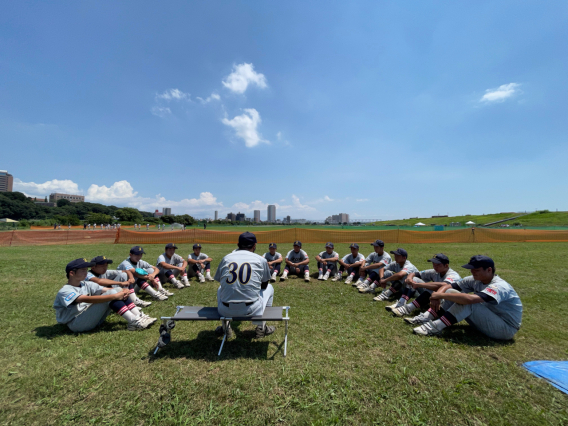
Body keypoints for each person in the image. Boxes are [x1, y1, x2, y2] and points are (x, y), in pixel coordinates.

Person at [413, 255, 523, 340]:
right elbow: (448, 286)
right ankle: (429, 317)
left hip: (506, 328)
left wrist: (439, 295)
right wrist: (436, 296)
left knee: (469, 301)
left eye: (476, 270)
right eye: (471, 269)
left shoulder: (500, 285)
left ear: (489, 270)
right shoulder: (474, 279)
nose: (472, 272)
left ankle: (434, 327)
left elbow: (470, 299)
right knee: (452, 292)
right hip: (489, 318)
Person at [53, 258, 151, 332]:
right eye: (82, 270)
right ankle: (133, 321)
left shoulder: (85, 284)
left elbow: (108, 290)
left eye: (86, 270)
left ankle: (138, 316)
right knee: (113, 293)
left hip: (91, 318)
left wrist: (122, 291)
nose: (86, 272)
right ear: (71, 273)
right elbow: (85, 299)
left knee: (116, 290)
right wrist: (114, 296)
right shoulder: (65, 290)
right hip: (76, 323)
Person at [214, 232, 275, 338]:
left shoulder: (226, 258)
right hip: (251, 309)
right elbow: (264, 284)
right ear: (254, 245)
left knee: (220, 288)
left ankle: (225, 328)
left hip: (225, 310)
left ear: (238, 245)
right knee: (270, 288)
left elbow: (220, 280)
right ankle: (261, 327)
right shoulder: (260, 259)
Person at [86, 255, 157, 322]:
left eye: (106, 265)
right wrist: (120, 283)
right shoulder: (88, 275)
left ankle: (134, 307)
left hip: (105, 297)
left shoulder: (104, 272)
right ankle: (134, 318)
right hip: (93, 304)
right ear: (93, 267)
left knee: (124, 276)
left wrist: (131, 278)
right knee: (116, 291)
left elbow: (127, 271)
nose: (105, 267)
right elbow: (99, 281)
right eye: (102, 265)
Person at [390, 253, 461, 318]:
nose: (435, 266)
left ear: (446, 265)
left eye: (438, 265)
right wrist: (409, 279)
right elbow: (414, 273)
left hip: (451, 305)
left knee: (432, 288)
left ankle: (409, 308)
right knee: (414, 279)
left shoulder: (452, 275)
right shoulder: (435, 272)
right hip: (438, 297)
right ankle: (401, 303)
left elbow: (443, 285)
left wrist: (419, 285)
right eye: (434, 264)